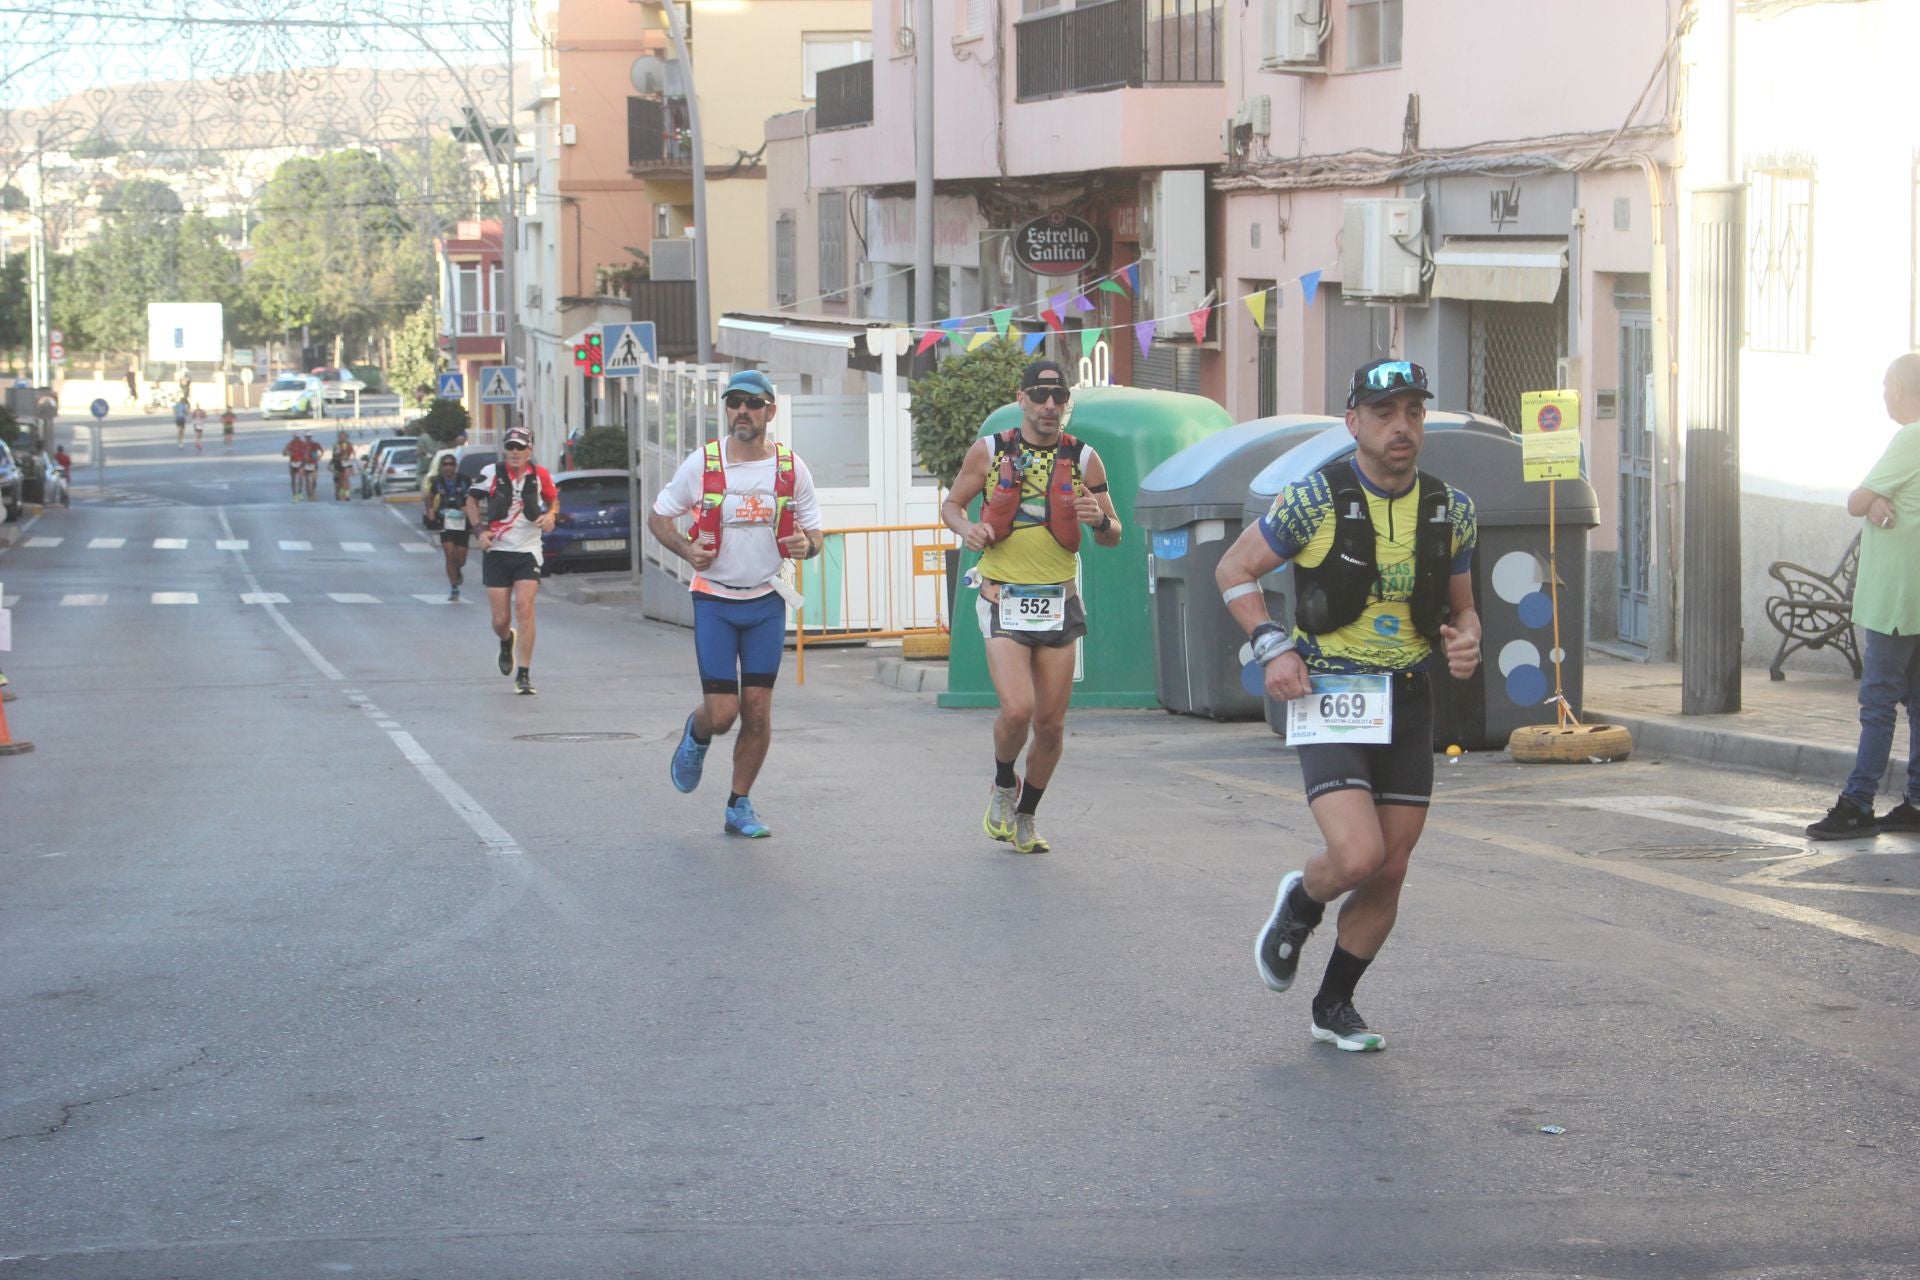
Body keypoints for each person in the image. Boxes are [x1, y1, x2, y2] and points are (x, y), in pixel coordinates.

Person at [1214, 358, 1481, 1053]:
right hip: (1329, 690)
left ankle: (1334, 1005)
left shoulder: (1452, 510)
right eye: (1385, 414)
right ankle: (1300, 903)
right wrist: (1274, 645)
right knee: (1358, 856)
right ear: (1354, 421)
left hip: (1410, 696)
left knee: (1391, 868)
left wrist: (1467, 643)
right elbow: (1233, 570)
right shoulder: (1314, 500)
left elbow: (1464, 612)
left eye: (1413, 413)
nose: (1402, 428)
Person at [938, 359, 1123, 855]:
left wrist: (1098, 522)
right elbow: (952, 506)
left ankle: (1027, 815)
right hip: (1003, 598)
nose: (1049, 406)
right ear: (1021, 399)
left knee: (1051, 725)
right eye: (1039, 396)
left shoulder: (1086, 459)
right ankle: (1003, 785)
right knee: (1017, 709)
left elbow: (1113, 534)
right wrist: (966, 530)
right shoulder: (990, 452)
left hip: (1059, 602)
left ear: (1067, 405)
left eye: (1058, 397)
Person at [648, 370, 824, 839]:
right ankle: (697, 733)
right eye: (733, 403)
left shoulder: (790, 468)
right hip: (715, 602)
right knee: (723, 713)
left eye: (752, 402)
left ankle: (738, 803)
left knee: (759, 710)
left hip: (767, 600)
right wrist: (687, 552)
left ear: (770, 410)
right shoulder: (702, 463)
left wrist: (808, 545)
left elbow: (815, 533)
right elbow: (659, 516)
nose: (741, 411)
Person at [1806, 353, 1920, 840]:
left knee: (1878, 702)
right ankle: (1916, 800)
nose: (1882, 396)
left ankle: (1858, 802)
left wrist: (1870, 498)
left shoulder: (1910, 438)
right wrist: (1878, 500)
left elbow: (1854, 499)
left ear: (1899, 388)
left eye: (1884, 386)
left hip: (1896, 598)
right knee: (1918, 701)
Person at [465, 426, 558, 695]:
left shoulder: (540, 475)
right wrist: (479, 530)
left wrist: (551, 515)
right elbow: (471, 501)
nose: (515, 452)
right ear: (505, 449)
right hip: (497, 550)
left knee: (525, 609)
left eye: (520, 447)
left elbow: (554, 502)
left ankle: (524, 674)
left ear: (530, 449)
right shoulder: (491, 473)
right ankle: (506, 640)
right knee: (500, 619)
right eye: (511, 447)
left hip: (528, 550)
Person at [426, 453, 470, 601]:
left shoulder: (464, 480)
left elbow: (473, 497)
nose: (448, 467)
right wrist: (430, 511)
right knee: (449, 554)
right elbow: (430, 497)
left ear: (455, 466)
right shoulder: (437, 481)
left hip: (462, 521)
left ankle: (457, 570)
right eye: (445, 464)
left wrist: (468, 508)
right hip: (445, 520)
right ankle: (454, 587)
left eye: (451, 464)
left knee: (461, 558)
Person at [282, 433, 306, 499]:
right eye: (295, 437)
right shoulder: (290, 444)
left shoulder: (302, 443)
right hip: (293, 463)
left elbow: (307, 452)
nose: (297, 439)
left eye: (298, 437)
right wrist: (288, 453)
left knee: (301, 477)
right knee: (293, 479)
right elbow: (284, 453)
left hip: (300, 462)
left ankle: (300, 492)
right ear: (293, 437)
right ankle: (294, 494)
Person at [331, 435, 355, 501]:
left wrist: (351, 467)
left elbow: (352, 454)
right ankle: (339, 494)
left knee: (346, 480)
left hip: (346, 464)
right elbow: (334, 455)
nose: (342, 438)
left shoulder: (349, 444)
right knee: (339, 481)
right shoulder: (336, 445)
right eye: (341, 437)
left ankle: (346, 495)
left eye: (344, 437)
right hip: (338, 464)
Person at [302, 433, 322, 500]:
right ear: (305, 437)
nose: (308, 438)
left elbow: (321, 450)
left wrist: (319, 457)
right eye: (307, 437)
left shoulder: (315, 444)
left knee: (314, 480)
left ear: (311, 437)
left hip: (314, 463)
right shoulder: (303, 445)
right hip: (306, 464)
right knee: (308, 480)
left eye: (309, 437)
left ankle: (312, 492)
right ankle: (309, 494)